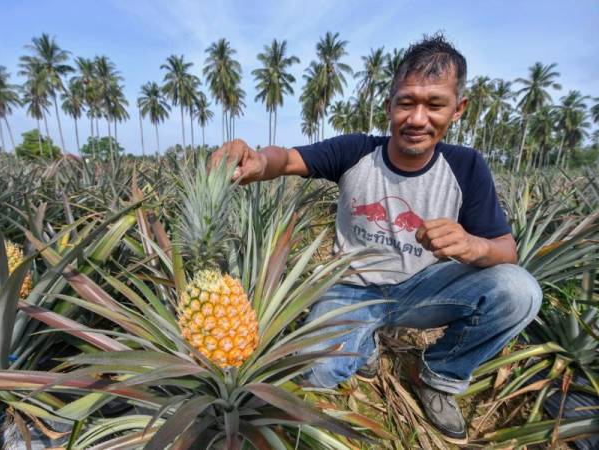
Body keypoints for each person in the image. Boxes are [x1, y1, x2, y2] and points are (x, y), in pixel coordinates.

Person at [210, 33, 542, 443]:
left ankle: (439, 374)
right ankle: (362, 341)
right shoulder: (356, 151)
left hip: (423, 291)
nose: (417, 118)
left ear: (458, 110)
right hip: (352, 290)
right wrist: (259, 159)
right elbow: (290, 158)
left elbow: (506, 250)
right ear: (389, 106)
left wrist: (476, 246)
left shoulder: (467, 167)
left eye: (435, 104)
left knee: (519, 290)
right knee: (316, 375)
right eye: (407, 102)